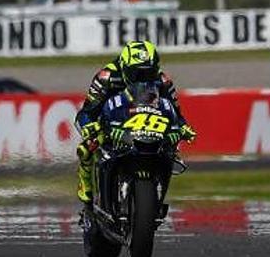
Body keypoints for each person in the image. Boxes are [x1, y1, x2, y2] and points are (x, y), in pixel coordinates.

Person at [73, 40, 197, 205]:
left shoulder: (163, 81)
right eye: (136, 73)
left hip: (148, 125)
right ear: (124, 67)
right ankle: (85, 184)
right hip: (114, 123)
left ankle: (158, 191)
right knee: (87, 147)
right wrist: (89, 126)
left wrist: (182, 127)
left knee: (170, 150)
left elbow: (174, 111)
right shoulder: (106, 77)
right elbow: (87, 112)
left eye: (148, 72)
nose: (143, 78)